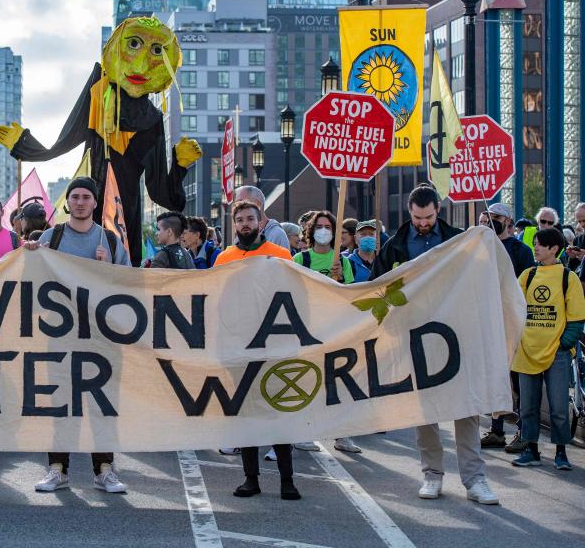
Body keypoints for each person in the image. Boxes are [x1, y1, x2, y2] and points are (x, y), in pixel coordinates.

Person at [369, 184, 498, 505]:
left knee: (466, 409)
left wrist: (488, 243)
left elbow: (481, 279)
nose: (422, 223)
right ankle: (432, 475)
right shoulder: (395, 246)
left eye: (427, 217)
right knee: (425, 411)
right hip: (416, 338)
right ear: (409, 213)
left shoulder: (458, 240)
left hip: (457, 336)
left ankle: (475, 480)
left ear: (437, 211)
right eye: (416, 218)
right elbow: (375, 287)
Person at [25, 176, 130, 493]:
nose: (81, 202)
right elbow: (32, 282)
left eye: (86, 197)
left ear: (96, 203)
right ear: (67, 202)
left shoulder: (110, 242)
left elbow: (128, 288)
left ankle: (105, 470)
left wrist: (107, 267)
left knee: (103, 404)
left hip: (103, 338)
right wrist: (31, 255)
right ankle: (57, 469)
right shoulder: (51, 237)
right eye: (75, 197)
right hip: (60, 337)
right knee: (60, 404)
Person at [211, 201, 300, 500]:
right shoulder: (224, 258)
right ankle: (251, 478)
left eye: (251, 218)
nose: (245, 223)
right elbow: (216, 302)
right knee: (247, 414)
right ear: (234, 224)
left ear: (261, 222)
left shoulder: (280, 255)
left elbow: (294, 298)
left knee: (277, 413)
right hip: (238, 346)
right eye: (240, 219)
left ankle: (287, 479)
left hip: (274, 345)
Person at [510, 227, 583, 471]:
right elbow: (513, 309)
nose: (536, 248)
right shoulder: (527, 276)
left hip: (557, 354)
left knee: (559, 406)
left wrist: (563, 345)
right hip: (526, 351)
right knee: (528, 406)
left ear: (554, 249)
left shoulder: (567, 277)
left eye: (541, 244)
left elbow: (576, 318)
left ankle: (561, 452)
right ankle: (531, 449)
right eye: (535, 244)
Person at [292, 211, 360, 454]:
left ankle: (343, 434)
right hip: (310, 328)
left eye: (328, 226)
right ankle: (304, 432)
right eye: (319, 226)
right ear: (312, 231)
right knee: (309, 380)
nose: (323, 230)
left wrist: (340, 281)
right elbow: (294, 293)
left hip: (336, 328)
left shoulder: (343, 262)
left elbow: (351, 296)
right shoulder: (301, 259)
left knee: (340, 381)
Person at [478, 203, 535, 451]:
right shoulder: (481, 247)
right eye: (487, 216)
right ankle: (496, 429)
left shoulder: (521, 250)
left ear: (508, 221)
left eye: (497, 217)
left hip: (511, 319)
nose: (491, 220)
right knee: (494, 377)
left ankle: (523, 430)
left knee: (516, 378)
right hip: (488, 319)